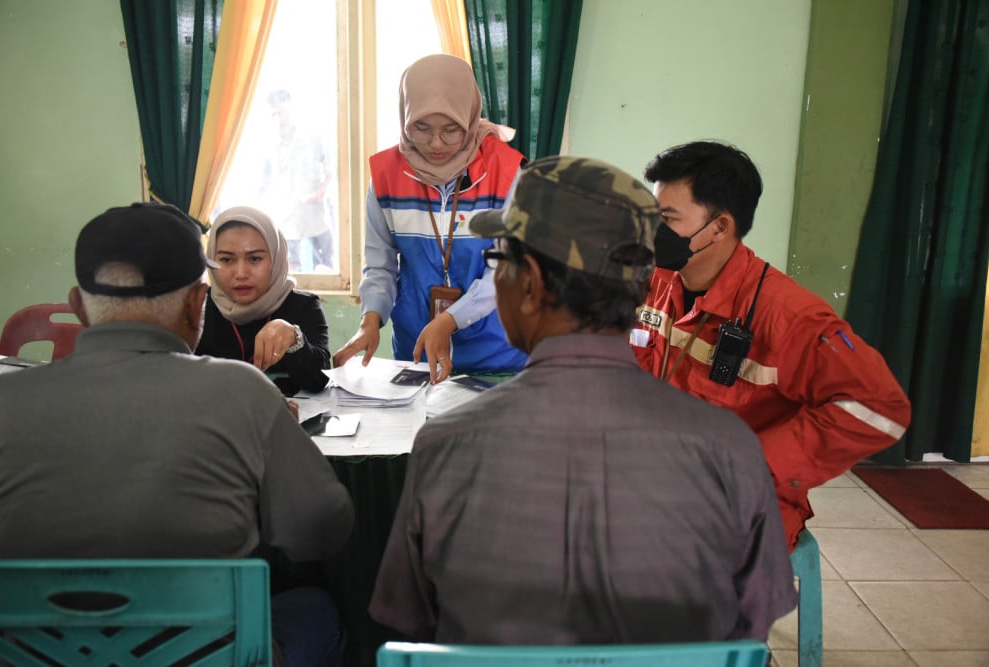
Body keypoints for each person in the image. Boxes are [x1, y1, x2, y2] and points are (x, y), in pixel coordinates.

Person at [369, 156, 797, 644]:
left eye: (497, 262)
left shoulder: (447, 445)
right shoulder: (731, 449)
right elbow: (751, 628)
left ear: (528, 282)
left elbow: (407, 622)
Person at [0, 202, 354, 667]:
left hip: (43, 655)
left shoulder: (0, 402)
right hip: (201, 655)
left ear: (78, 306)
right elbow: (318, 534)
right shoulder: (244, 394)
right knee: (316, 608)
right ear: (198, 302)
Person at [629, 140, 912, 551]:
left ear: (720, 227)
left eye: (666, 219)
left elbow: (880, 408)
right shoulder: (654, 283)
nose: (651, 230)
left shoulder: (790, 316)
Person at [333, 53, 527, 384]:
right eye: (420, 128)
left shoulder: (507, 174)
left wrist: (449, 319)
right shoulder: (386, 177)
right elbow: (380, 265)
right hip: (418, 354)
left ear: (469, 117)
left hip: (499, 356)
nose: (436, 143)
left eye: (451, 130)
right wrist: (370, 319)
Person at [196, 205, 331, 396]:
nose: (241, 273)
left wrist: (295, 339)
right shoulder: (199, 306)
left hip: (286, 421)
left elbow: (321, 380)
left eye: (255, 259)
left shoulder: (303, 307)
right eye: (227, 260)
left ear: (276, 259)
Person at [260, 88, 337, 272]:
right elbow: (264, 184)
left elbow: (331, 169)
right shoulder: (269, 147)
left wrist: (321, 191)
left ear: (291, 110)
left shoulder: (313, 138)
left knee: (326, 268)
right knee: (293, 273)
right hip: (288, 222)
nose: (279, 119)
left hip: (317, 219)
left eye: (282, 113)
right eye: (274, 114)